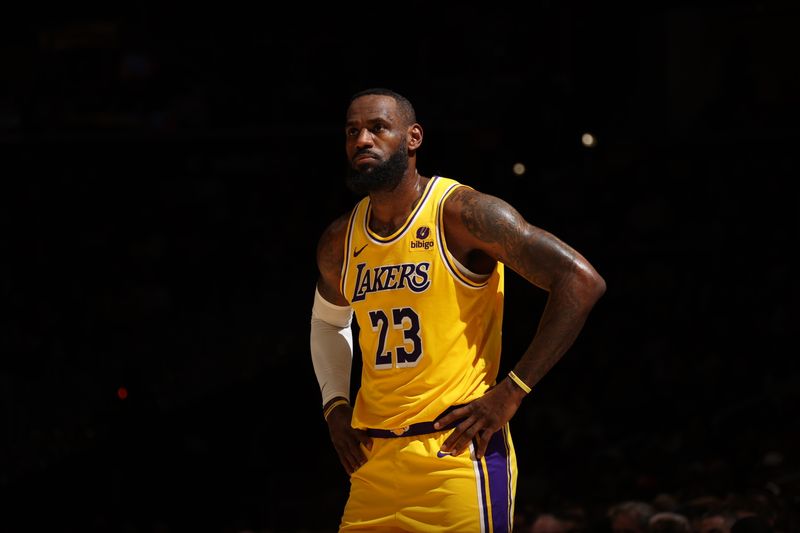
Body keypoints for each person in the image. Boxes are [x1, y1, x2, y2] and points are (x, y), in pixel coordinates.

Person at [309, 87, 606, 532]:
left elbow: (580, 281)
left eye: (377, 128)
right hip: (373, 464)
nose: (362, 140)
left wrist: (513, 390)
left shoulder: (462, 213)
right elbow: (328, 324)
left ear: (413, 138)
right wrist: (335, 406)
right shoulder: (340, 239)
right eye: (353, 131)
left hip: (455, 458)